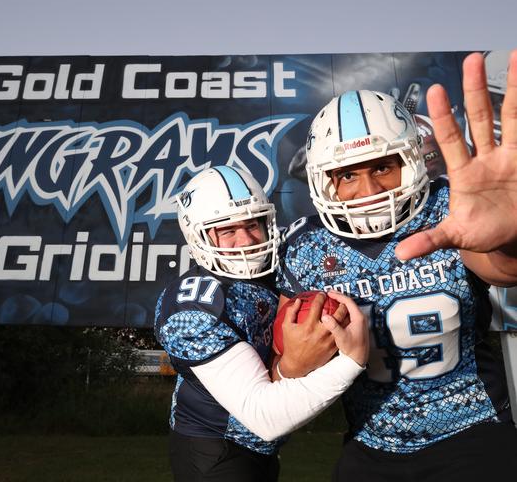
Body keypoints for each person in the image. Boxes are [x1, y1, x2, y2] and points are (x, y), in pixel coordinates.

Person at [276, 51, 517, 481]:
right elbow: (286, 360)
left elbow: (503, 270)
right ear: (321, 180)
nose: (368, 189)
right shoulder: (304, 246)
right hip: (370, 443)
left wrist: (508, 237)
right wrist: (292, 365)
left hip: (472, 431)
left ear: (410, 161)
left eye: (383, 167)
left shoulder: (448, 207)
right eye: (348, 175)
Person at [154, 165, 369, 482]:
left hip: (263, 449)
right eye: (227, 230)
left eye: (253, 223)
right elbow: (263, 416)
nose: (246, 240)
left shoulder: (278, 270)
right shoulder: (191, 306)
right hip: (216, 447)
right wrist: (352, 360)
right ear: (197, 235)